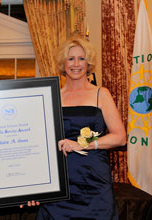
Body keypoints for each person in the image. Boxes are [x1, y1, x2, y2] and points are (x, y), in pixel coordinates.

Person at [36, 37, 126, 220]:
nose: (76, 64)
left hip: (94, 184)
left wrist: (81, 143)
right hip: (59, 186)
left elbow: (120, 137)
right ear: (63, 63)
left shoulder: (101, 94)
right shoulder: (51, 96)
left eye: (81, 58)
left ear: (88, 63)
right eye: (70, 59)